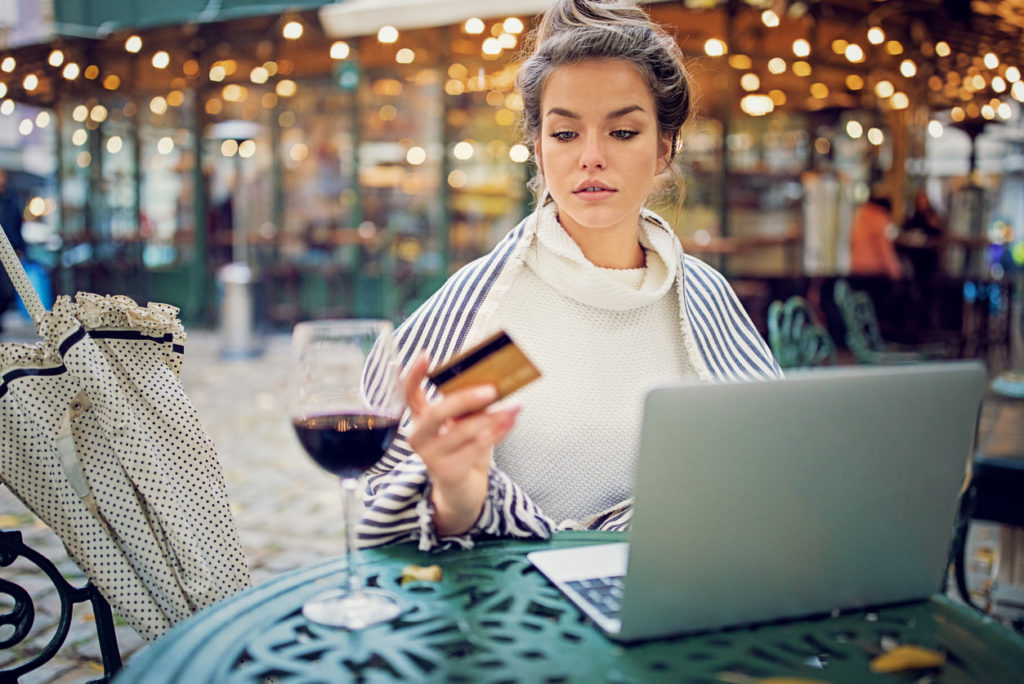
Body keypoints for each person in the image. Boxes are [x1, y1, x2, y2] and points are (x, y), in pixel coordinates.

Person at [358, 0, 781, 552]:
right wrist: (458, 495)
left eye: (623, 132)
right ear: (538, 149)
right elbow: (408, 503)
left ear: (663, 148)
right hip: (519, 614)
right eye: (564, 134)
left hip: (684, 596)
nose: (591, 157)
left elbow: (770, 464)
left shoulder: (703, 299)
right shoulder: (484, 309)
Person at [849, 194, 902, 280]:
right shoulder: (881, 219)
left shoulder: (860, 215)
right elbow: (884, 250)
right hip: (873, 272)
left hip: (854, 268)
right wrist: (896, 273)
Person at [897, 189, 946, 282]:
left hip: (929, 255)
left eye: (924, 201)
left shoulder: (932, 217)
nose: (923, 204)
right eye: (920, 201)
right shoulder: (913, 218)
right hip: (916, 255)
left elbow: (938, 233)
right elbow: (906, 230)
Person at [0, 169, 26, 332]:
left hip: (8, 252)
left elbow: (18, 225)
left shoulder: (11, 199)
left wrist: (20, 247)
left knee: (7, 290)